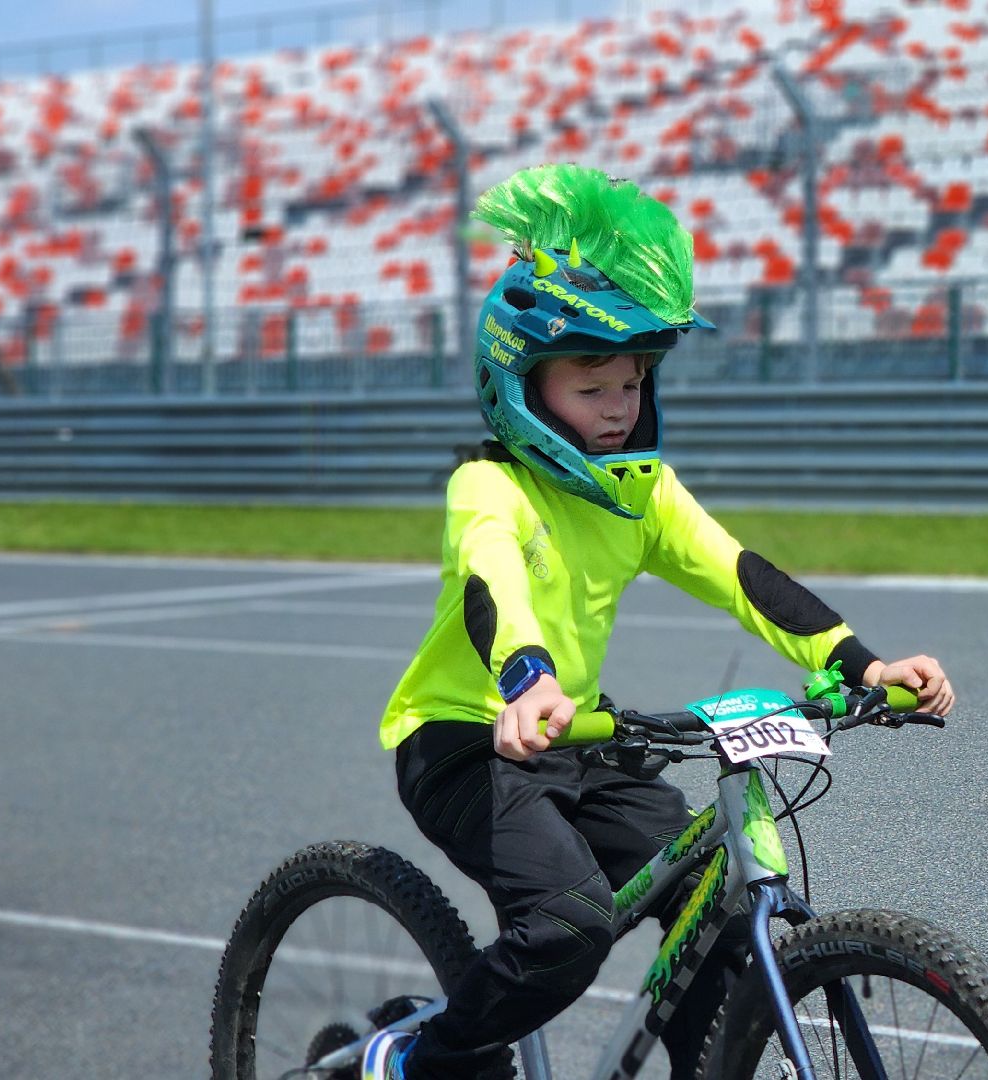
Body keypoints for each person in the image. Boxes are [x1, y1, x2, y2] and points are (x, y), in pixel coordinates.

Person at [363, 164, 955, 1080]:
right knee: (568, 923)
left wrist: (859, 662)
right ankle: (424, 1062)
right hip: (468, 741)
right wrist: (528, 679)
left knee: (715, 906)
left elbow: (741, 574)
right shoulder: (488, 485)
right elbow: (493, 588)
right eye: (591, 383)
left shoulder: (642, 494)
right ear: (522, 383)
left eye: (632, 382)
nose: (618, 406)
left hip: (582, 735)